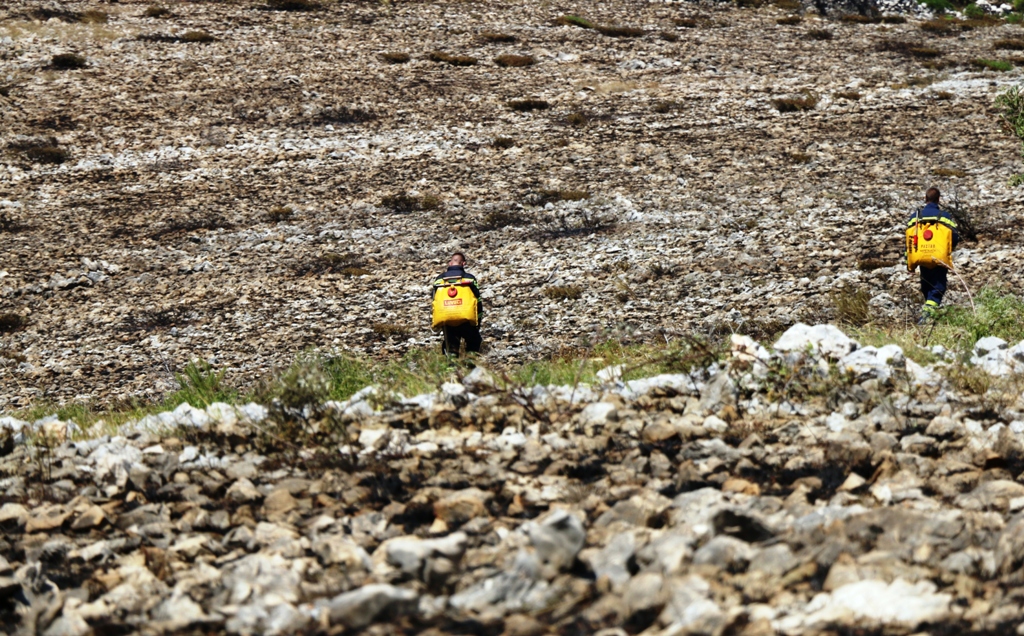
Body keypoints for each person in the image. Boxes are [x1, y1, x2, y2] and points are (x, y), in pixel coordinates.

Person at [908, 187, 959, 323]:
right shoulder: (945, 216)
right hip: (938, 259)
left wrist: (909, 258)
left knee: (927, 285)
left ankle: (929, 312)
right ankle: (926, 316)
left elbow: (909, 237)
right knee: (938, 287)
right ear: (938, 199)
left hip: (922, 257)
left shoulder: (916, 216)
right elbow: (954, 236)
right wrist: (948, 250)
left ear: (925, 199)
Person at [431, 252, 482, 356]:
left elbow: (434, 301)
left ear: (450, 263)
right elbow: (478, 301)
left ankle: (451, 369)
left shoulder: (439, 280)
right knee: (474, 341)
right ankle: (469, 365)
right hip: (466, 319)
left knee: (451, 347)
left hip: (447, 319)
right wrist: (478, 322)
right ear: (463, 263)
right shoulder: (470, 279)